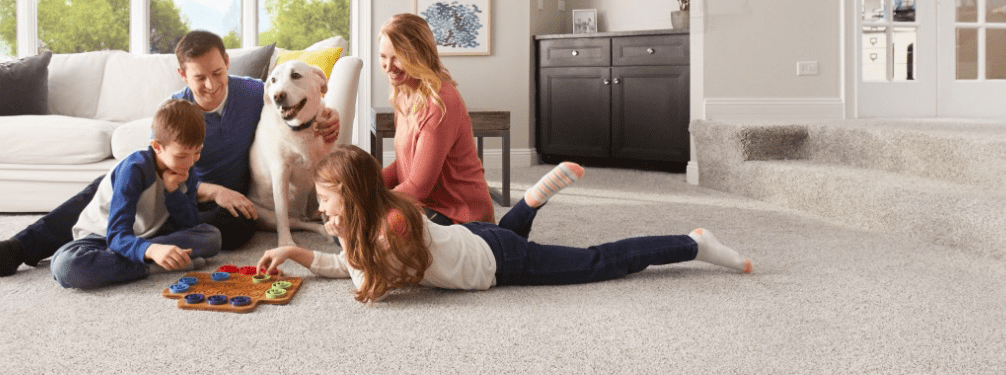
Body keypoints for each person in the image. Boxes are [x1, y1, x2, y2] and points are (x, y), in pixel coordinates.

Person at [0, 30, 340, 277]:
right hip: (181, 192)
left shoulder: (254, 91)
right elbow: (159, 171)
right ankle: (17, 248)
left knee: (236, 227)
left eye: (217, 72)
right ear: (182, 75)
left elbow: (293, 107)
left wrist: (328, 114)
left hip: (228, 208)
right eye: (199, 78)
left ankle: (131, 248)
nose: (211, 85)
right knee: (108, 184)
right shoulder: (175, 112)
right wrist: (211, 189)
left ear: (227, 62)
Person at [257, 145, 753, 303]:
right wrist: (294, 254)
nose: (321, 212)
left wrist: (340, 235)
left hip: (497, 260)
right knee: (498, 235)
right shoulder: (376, 222)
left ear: (355, 199)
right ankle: (530, 203)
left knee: (597, 262)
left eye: (326, 203)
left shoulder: (390, 229)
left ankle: (692, 243)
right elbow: (346, 265)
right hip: (472, 237)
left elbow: (366, 289)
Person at [51, 99, 221, 289]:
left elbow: (189, 224)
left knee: (211, 236)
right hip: (103, 238)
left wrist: (172, 192)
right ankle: (153, 267)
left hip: (149, 234)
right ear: (157, 146)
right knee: (66, 266)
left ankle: (153, 257)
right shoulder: (133, 170)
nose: (190, 163)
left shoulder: (185, 169)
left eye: (197, 152)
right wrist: (151, 250)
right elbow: (116, 236)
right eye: (181, 155)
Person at [378, 13, 495, 225]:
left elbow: (417, 188)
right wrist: (367, 184)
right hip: (423, 206)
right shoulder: (403, 94)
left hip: (459, 216)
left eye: (398, 58)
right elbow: (406, 164)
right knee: (346, 229)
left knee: (361, 227)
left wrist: (366, 200)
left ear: (420, 55)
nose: (388, 66)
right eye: (383, 57)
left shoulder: (440, 102)